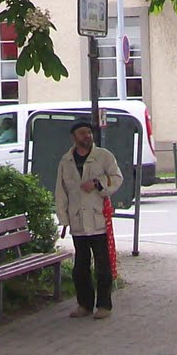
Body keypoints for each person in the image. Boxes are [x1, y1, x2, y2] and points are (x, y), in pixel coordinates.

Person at [54, 119, 122, 318]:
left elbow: (117, 178)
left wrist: (98, 183)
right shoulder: (66, 161)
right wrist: (63, 219)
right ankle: (84, 304)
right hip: (78, 221)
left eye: (89, 133)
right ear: (74, 137)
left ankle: (104, 306)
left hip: (98, 219)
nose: (87, 136)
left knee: (103, 265)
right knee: (81, 267)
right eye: (83, 133)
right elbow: (61, 191)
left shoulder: (103, 156)